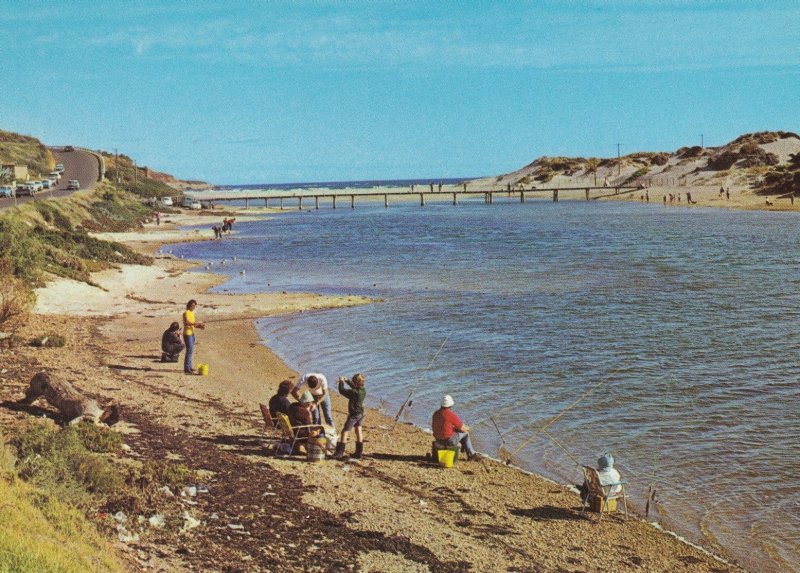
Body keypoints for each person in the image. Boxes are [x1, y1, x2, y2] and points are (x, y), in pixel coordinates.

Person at [431, 395, 481, 461]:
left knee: (459, 433)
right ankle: (471, 455)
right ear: (450, 405)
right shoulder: (450, 414)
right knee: (466, 434)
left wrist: (454, 429)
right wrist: (469, 428)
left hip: (438, 439)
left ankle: (465, 448)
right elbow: (462, 428)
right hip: (449, 441)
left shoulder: (435, 413)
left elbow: (440, 427)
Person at [333, 373, 366, 459]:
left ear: (356, 382)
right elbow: (354, 386)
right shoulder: (363, 390)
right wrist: (347, 380)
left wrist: (341, 381)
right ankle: (359, 453)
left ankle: (340, 453)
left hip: (354, 415)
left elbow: (342, 390)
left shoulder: (354, 392)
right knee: (358, 431)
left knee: (345, 431)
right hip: (361, 413)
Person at [182, 299, 205, 374]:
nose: (193, 307)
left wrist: (199, 326)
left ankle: (190, 367)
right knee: (189, 351)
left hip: (192, 334)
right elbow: (187, 323)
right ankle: (186, 369)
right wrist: (197, 322)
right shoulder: (186, 313)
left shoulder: (192, 313)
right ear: (189, 305)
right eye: (192, 305)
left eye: (195, 306)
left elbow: (193, 325)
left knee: (191, 351)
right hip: (187, 334)